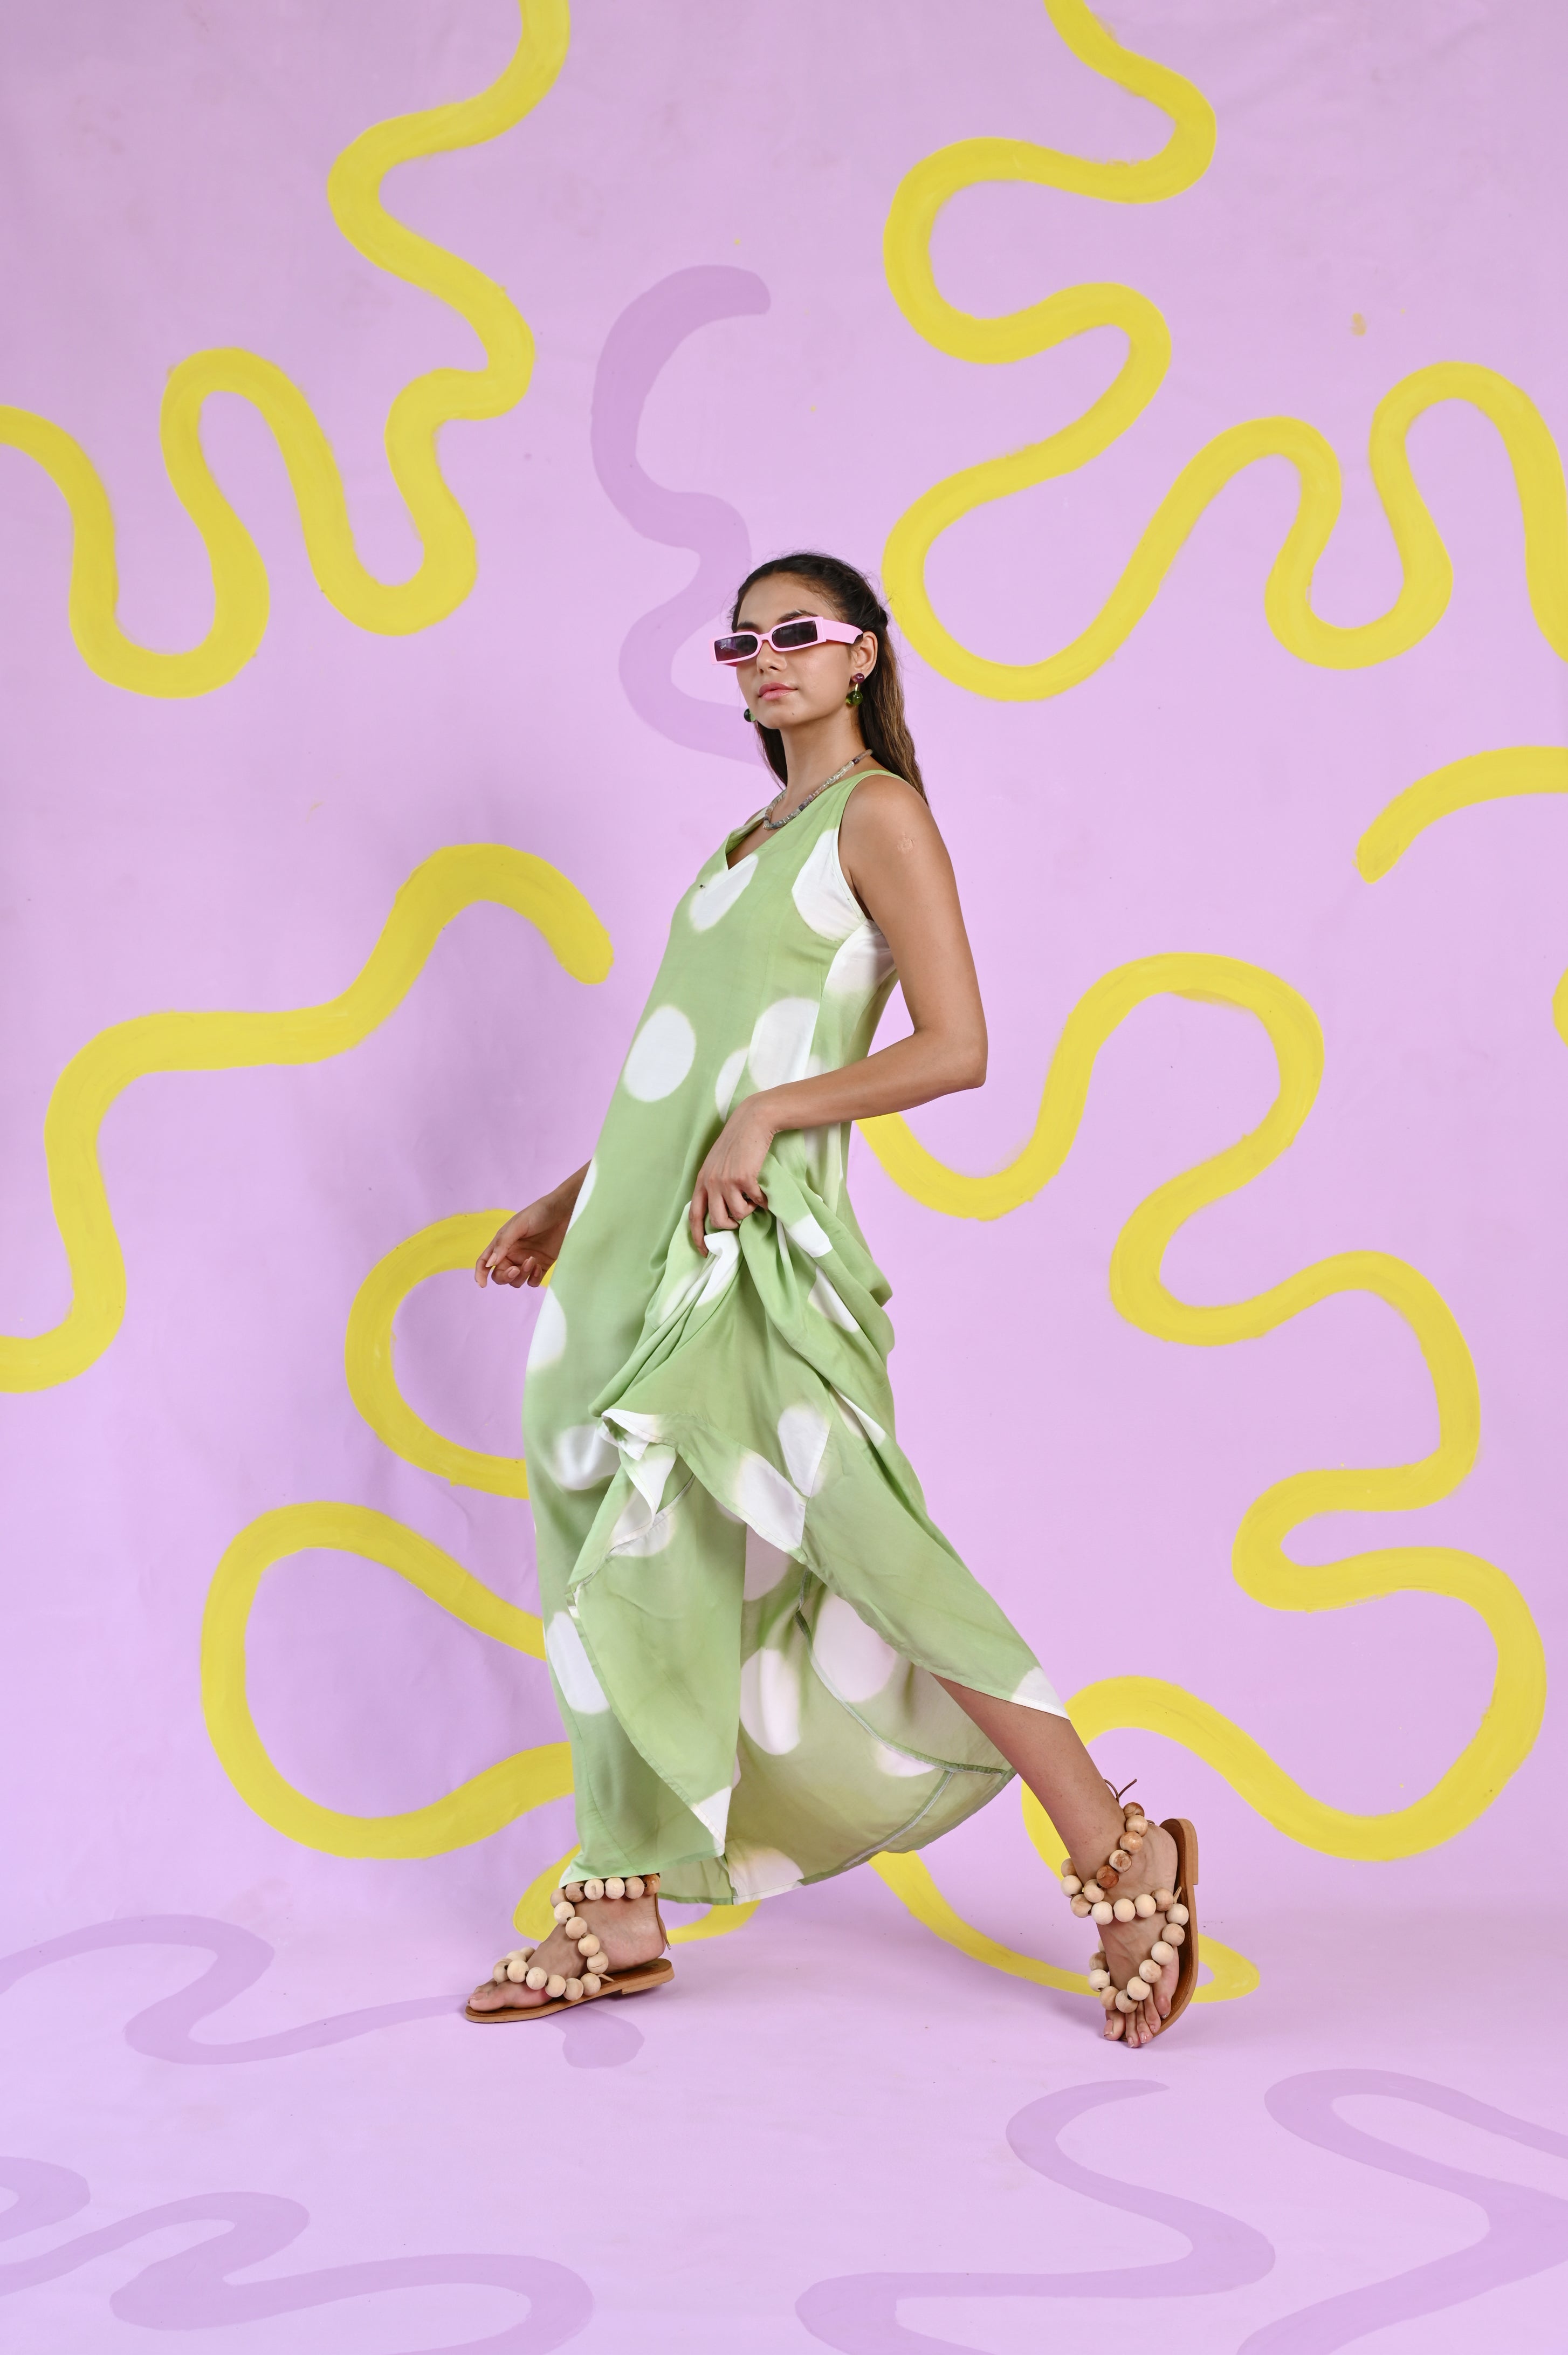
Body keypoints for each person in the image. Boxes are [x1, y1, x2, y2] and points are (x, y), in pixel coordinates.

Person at [465, 552, 1197, 2046]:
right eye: (741, 644)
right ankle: (621, 1896)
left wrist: (774, 1116)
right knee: (609, 1539)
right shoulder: (747, 840)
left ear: (863, 654)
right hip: (629, 1246)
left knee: (864, 1534)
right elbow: (689, 1066)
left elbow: (956, 1044)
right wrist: (573, 1193)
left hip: (750, 1247)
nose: (766, 659)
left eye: (796, 633)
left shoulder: (878, 816)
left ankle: (1113, 1843)